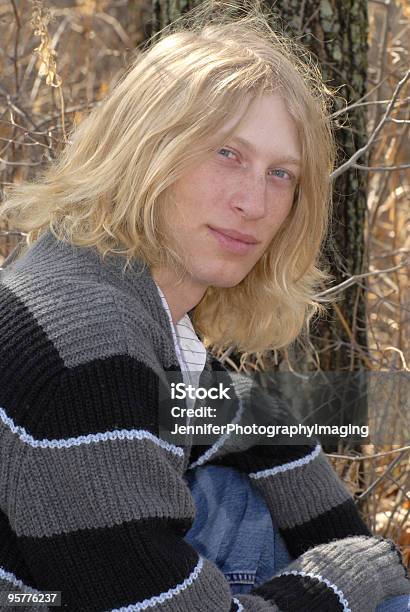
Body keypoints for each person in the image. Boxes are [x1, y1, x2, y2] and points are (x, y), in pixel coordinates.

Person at [0, 1, 409, 610]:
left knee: (231, 490)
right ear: (146, 150)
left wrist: (333, 523)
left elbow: (226, 410)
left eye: (281, 174)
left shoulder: (90, 275)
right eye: (226, 153)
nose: (254, 202)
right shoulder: (91, 346)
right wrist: (343, 578)